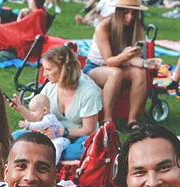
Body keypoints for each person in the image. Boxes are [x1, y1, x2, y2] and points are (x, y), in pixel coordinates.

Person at [11, 45, 102, 161]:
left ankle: (41, 154)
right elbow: (37, 117)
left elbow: (89, 130)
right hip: (51, 137)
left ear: (64, 69)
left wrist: (62, 132)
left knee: (83, 149)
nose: (44, 74)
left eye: (48, 70)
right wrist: (20, 108)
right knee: (14, 138)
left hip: (77, 138)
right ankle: (46, 154)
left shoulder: (88, 92)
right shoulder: (50, 87)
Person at [86, 0, 162, 128]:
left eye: (134, 13)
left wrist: (146, 63)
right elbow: (109, 60)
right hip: (95, 68)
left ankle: (132, 120)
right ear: (118, 12)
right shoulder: (104, 27)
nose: (130, 17)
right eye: (126, 12)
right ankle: (107, 121)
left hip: (118, 67)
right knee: (115, 73)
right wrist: (124, 56)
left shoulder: (136, 28)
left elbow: (134, 59)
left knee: (139, 72)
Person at [18, 94, 70, 164]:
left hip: (60, 139)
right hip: (50, 140)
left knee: (56, 148)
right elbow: (35, 122)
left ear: (44, 110)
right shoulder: (41, 117)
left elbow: (42, 125)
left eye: (33, 111)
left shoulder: (49, 118)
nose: (31, 113)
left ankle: (53, 164)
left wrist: (29, 125)